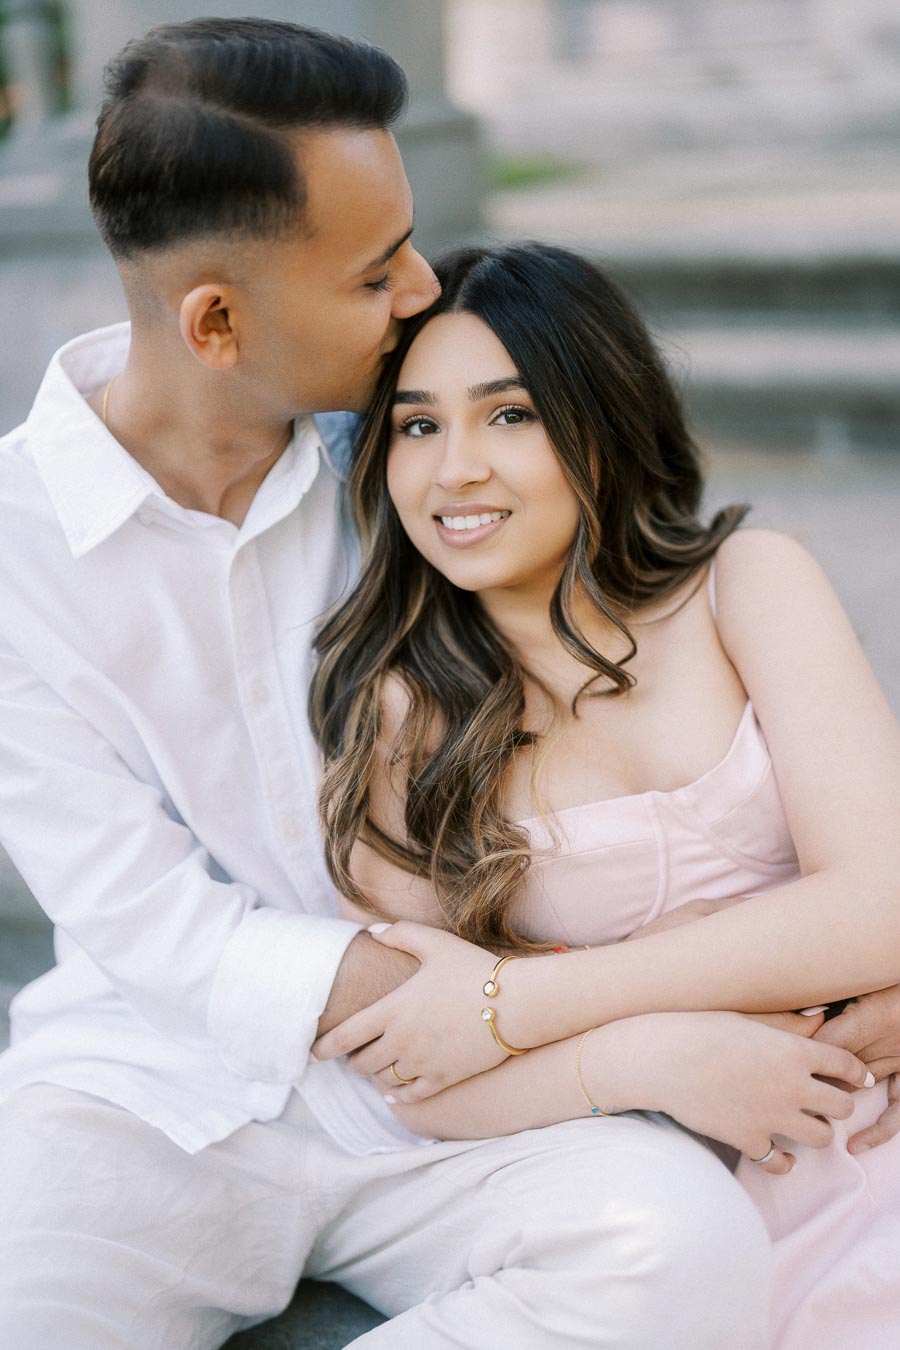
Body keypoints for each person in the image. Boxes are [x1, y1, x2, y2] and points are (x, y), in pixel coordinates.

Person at [0, 19, 775, 1350]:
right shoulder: (13, 548)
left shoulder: (423, 457)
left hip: (475, 1088)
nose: (422, 290)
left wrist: (781, 968)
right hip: (146, 1090)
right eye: (373, 273)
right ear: (216, 322)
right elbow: (147, 921)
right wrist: (580, 1007)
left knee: (685, 1251)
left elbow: (643, 694)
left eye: (410, 245)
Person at [309, 242, 900, 1348]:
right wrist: (649, 1055)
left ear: (602, 418)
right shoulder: (401, 717)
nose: (454, 470)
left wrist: (520, 1003)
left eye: (510, 415)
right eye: (417, 427)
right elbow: (422, 1076)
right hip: (686, 1198)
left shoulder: (746, 586)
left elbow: (880, 905)